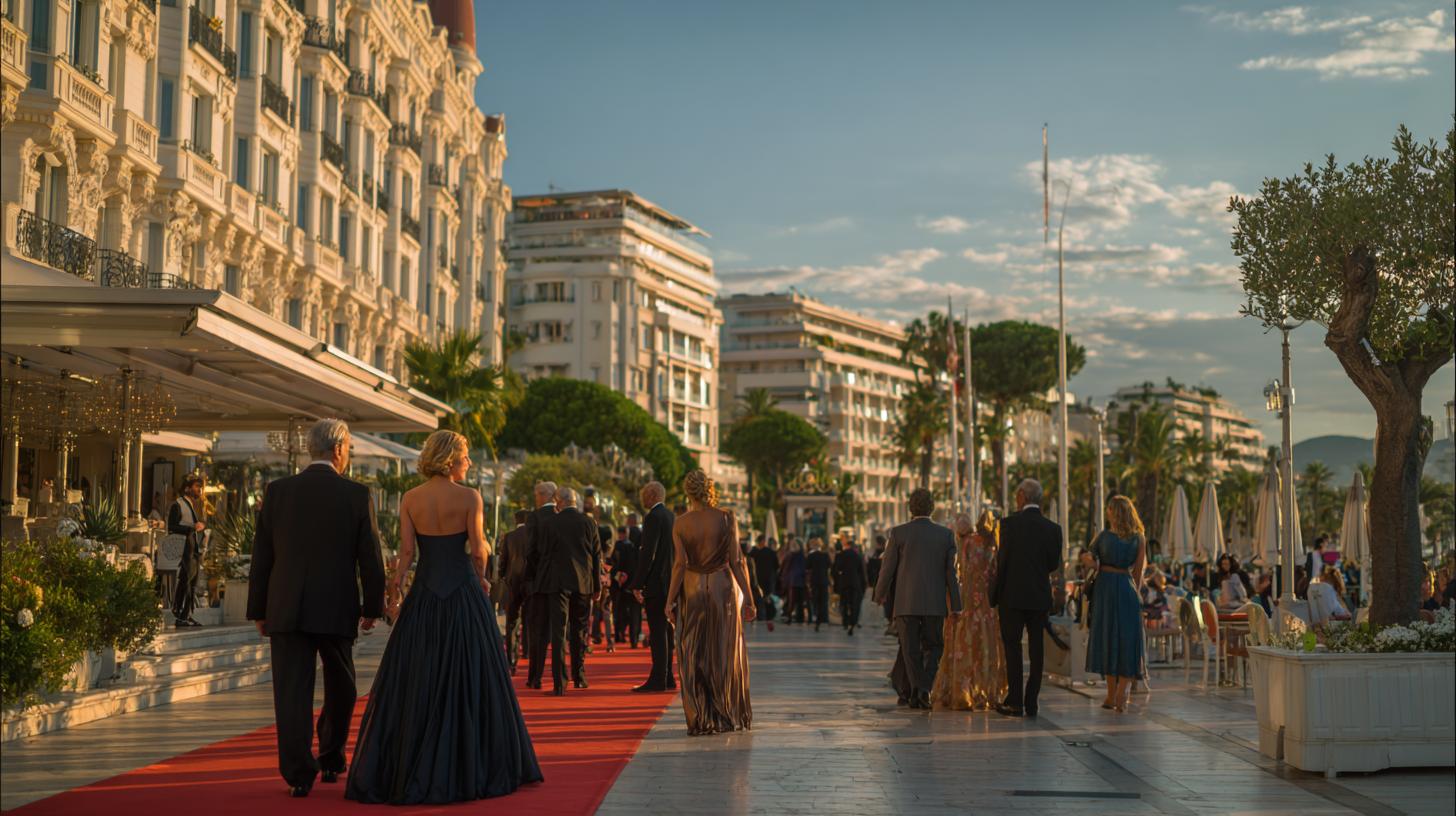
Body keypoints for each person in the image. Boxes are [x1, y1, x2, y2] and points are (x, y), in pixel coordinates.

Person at [346, 430, 541, 804]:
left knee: (417, 676)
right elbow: (479, 551)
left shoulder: (411, 498)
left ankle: (411, 760)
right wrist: (483, 578)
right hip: (463, 593)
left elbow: (406, 554)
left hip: (424, 595)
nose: (468, 462)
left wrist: (395, 592)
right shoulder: (470, 497)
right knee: (473, 673)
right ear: (451, 459)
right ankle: (469, 760)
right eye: (465, 456)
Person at [248, 419, 386, 798]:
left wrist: (259, 608)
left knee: (291, 692)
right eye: (350, 448)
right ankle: (330, 755)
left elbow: (262, 556)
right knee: (342, 686)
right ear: (338, 449)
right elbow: (370, 557)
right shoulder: (356, 494)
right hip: (336, 606)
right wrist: (373, 606)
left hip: (286, 606)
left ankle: (298, 773)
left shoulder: (278, 491)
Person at [666, 470, 753, 735]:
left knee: (693, 651)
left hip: (692, 588)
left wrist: (670, 600)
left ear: (688, 492)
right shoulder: (726, 517)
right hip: (722, 588)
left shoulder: (680, 523)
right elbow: (737, 561)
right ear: (710, 489)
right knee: (723, 649)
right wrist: (749, 598)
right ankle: (726, 714)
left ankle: (700, 717)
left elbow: (680, 565)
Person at [873, 488, 962, 710]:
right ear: (932, 507)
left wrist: (879, 594)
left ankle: (919, 690)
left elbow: (887, 568)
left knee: (909, 649)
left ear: (910, 508)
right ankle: (924, 689)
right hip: (935, 602)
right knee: (935, 646)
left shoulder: (898, 533)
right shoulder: (945, 535)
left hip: (906, 602)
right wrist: (956, 605)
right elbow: (951, 574)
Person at [990, 478, 1062, 718]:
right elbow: (1053, 564)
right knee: (1037, 649)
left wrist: (995, 594)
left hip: (1011, 596)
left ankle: (1015, 701)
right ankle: (1031, 702)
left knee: (1013, 648)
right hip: (1039, 596)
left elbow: (1002, 561)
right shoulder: (1053, 529)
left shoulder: (1008, 524)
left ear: (1022, 495)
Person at [930, 511, 1006, 711]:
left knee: (965, 647)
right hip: (989, 607)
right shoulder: (994, 544)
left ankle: (964, 692)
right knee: (987, 649)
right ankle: (987, 692)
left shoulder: (968, 544)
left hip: (969, 604)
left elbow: (959, 573)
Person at [534, 487, 602, 694]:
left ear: (559, 502)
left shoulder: (550, 523)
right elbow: (596, 556)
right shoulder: (589, 523)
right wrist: (597, 586)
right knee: (580, 630)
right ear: (574, 501)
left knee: (559, 631)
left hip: (557, 583)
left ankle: (559, 683)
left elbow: (542, 552)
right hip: (583, 583)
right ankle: (579, 677)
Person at [1085, 496, 1147, 713]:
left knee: (1107, 638)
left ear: (1114, 512)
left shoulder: (1103, 537)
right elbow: (1138, 573)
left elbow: (1088, 559)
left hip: (1105, 590)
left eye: (1109, 509)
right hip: (1127, 589)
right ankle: (1120, 693)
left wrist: (1093, 564)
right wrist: (1136, 596)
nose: (1107, 513)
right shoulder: (1139, 538)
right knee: (1127, 640)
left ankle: (1113, 695)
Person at [630, 481, 677, 693]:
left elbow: (648, 553)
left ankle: (658, 679)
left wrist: (638, 583)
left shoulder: (653, 517)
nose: (642, 498)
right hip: (671, 581)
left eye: (644, 494)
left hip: (657, 582)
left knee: (657, 632)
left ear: (651, 495)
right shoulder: (672, 517)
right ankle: (668, 677)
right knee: (667, 631)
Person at [522, 482, 559, 691]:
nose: (535, 498)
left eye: (537, 495)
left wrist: (531, 577)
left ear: (546, 495)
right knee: (559, 632)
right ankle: (559, 679)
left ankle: (535, 676)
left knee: (538, 631)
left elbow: (530, 551)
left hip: (540, 582)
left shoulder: (534, 518)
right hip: (561, 583)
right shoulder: (561, 517)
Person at [168, 472, 208, 628]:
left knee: (192, 583)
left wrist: (199, 527)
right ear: (187, 488)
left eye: (200, 487)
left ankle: (186, 615)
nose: (200, 490)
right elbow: (171, 526)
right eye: (197, 486)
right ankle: (180, 615)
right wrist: (191, 528)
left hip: (193, 550)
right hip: (185, 549)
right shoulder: (177, 504)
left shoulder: (191, 504)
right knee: (186, 582)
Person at [497, 509, 532, 673]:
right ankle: (527, 650)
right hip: (530, 582)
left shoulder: (509, 537)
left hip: (513, 583)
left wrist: (502, 576)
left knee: (511, 621)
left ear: (516, 520)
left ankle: (511, 659)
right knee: (529, 618)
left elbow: (503, 560)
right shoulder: (533, 535)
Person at [610, 525, 641, 647]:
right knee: (634, 613)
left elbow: (614, 563)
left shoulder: (618, 546)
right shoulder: (635, 548)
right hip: (632, 583)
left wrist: (618, 576)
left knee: (620, 610)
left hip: (620, 584)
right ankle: (634, 638)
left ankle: (620, 634)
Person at [831, 535, 868, 635]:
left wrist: (836, 581)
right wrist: (863, 585)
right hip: (855, 583)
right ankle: (853, 622)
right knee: (854, 604)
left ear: (846, 546)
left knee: (844, 603)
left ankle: (845, 622)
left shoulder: (840, 555)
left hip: (843, 583)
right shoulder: (858, 556)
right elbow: (861, 572)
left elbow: (836, 569)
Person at [748, 535, 779, 623]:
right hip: (768, 578)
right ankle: (768, 615)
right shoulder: (771, 552)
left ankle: (760, 615)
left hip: (757, 578)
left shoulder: (754, 552)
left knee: (759, 597)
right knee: (767, 596)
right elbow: (776, 566)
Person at [805, 537, 832, 631]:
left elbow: (807, 567)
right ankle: (823, 618)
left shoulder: (811, 556)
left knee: (815, 599)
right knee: (823, 600)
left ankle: (815, 617)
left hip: (814, 581)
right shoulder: (825, 555)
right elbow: (829, 565)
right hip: (824, 580)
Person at [779, 538, 808, 623]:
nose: (793, 546)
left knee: (799, 601)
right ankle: (789, 617)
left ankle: (798, 618)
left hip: (799, 581)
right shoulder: (790, 555)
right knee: (791, 600)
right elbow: (784, 568)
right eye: (793, 544)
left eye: (795, 544)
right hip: (792, 581)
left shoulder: (801, 556)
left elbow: (804, 569)